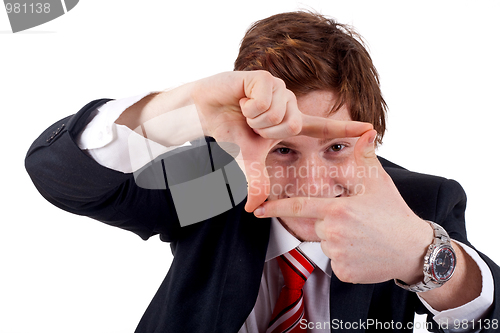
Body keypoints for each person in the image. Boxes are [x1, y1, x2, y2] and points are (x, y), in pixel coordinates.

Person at [25, 11, 498, 332]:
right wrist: (183, 111)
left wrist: (424, 258)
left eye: (336, 146)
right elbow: (65, 177)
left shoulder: (419, 206)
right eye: (284, 151)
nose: (313, 181)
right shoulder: (215, 185)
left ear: (370, 135)